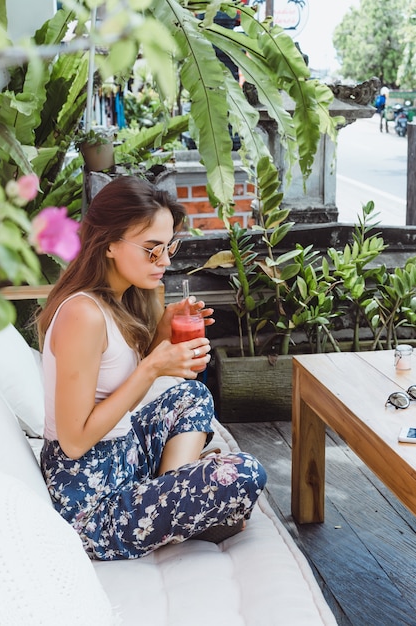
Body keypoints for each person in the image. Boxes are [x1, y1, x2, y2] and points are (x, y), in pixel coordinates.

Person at [37, 176, 267, 561]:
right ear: (108, 243)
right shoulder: (82, 313)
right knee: (244, 473)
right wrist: (151, 368)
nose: (165, 261)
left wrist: (160, 340)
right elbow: (74, 442)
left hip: (122, 460)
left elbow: (117, 400)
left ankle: (170, 499)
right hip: (91, 503)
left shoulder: (117, 301)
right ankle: (176, 507)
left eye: (168, 247)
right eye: (151, 250)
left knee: (192, 394)